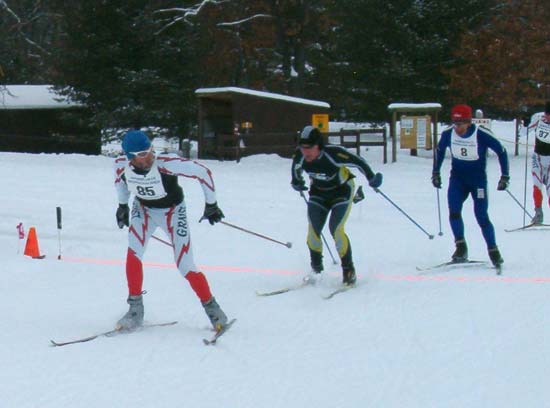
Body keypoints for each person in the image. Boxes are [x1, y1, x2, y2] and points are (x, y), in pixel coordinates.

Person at [113, 130, 229, 332]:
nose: (148, 157)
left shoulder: (167, 163)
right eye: (141, 154)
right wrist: (122, 206)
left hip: (173, 212)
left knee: (185, 264)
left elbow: (203, 173)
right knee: (133, 254)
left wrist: (212, 205)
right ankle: (135, 309)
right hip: (144, 210)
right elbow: (121, 183)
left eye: (149, 150)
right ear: (130, 157)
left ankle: (214, 310)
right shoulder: (121, 165)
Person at [290, 125, 383, 285]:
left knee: (336, 229)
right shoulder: (300, 156)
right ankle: (317, 270)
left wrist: (371, 177)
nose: (306, 152)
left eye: (309, 148)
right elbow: (295, 170)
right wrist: (296, 181)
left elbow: (358, 161)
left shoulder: (333, 154)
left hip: (342, 192)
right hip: (319, 193)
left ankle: (349, 271)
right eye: (302, 148)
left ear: (318, 145)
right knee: (313, 230)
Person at [431, 104, 509, 267]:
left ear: (468, 122)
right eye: (455, 124)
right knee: (453, 211)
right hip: (458, 179)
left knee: (481, 216)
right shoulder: (448, 134)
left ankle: (493, 250)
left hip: (477, 181)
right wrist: (436, 173)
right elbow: (439, 151)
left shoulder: (481, 134)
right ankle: (460, 247)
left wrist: (504, 176)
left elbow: (501, 151)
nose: (457, 128)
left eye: (460, 124)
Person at [529, 101, 550, 225]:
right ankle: (538, 213)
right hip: (537, 158)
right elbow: (525, 130)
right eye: (548, 114)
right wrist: (526, 123)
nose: (549, 117)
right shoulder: (539, 118)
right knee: (537, 185)